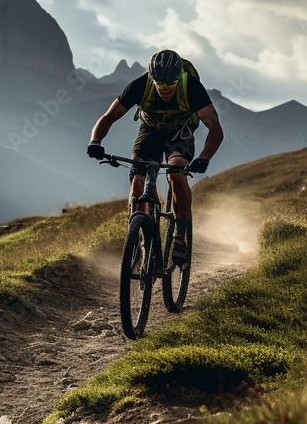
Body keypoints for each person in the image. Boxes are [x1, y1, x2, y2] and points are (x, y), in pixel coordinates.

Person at [86, 49, 223, 265]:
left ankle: (180, 237)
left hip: (181, 130)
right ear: (152, 77)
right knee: (137, 179)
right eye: (160, 83)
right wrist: (95, 141)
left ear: (179, 77)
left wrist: (204, 158)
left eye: (170, 83)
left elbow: (215, 128)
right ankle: (137, 234)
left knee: (176, 172)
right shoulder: (140, 85)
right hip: (150, 129)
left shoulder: (192, 88)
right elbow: (108, 117)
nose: (165, 88)